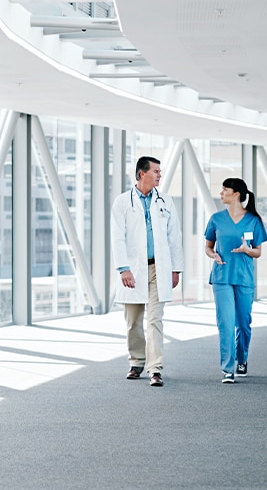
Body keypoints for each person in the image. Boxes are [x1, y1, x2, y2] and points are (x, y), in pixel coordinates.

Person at [110, 156, 184, 387]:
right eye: (156, 171)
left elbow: (175, 237)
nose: (159, 175)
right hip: (133, 269)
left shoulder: (165, 201)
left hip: (158, 269)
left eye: (160, 172)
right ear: (142, 173)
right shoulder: (123, 202)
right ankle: (137, 362)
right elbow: (117, 238)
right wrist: (124, 269)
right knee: (133, 321)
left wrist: (175, 269)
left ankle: (155, 368)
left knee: (155, 320)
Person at [204, 178, 267, 383]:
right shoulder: (216, 219)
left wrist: (247, 250)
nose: (221, 193)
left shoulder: (253, 220)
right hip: (222, 277)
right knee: (226, 323)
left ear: (237, 194)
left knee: (243, 323)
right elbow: (208, 246)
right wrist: (212, 254)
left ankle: (242, 359)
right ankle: (227, 368)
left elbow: (258, 252)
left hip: (244, 278)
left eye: (225, 190)